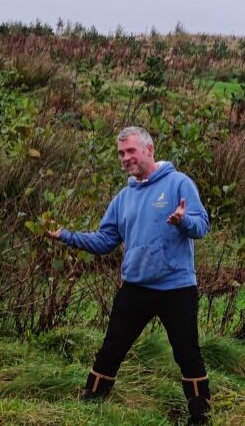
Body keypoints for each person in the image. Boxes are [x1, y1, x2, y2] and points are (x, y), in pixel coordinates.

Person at [48, 125, 212, 424]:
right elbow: (105, 241)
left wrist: (182, 220)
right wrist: (66, 236)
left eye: (131, 151)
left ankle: (201, 416)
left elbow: (201, 227)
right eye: (121, 153)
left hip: (177, 288)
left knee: (187, 354)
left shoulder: (179, 183)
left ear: (149, 150)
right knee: (111, 348)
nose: (125, 158)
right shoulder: (123, 198)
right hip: (135, 288)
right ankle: (90, 405)